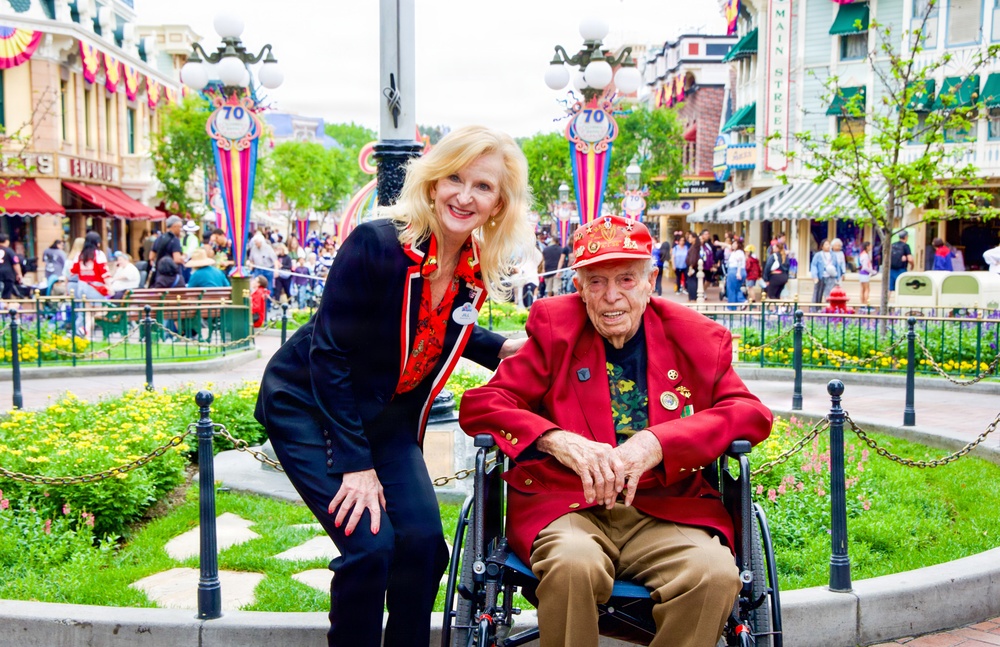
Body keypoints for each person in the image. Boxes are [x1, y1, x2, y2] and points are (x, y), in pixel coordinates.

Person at [253, 125, 534, 647]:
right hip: (308, 403)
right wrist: (355, 465)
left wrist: (499, 349)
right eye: (454, 178)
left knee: (426, 546)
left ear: (499, 204)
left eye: (483, 186)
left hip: (386, 415)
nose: (464, 195)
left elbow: (439, 323)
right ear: (432, 184)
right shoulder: (377, 245)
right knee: (371, 547)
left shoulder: (470, 266)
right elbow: (329, 353)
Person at [459, 214, 772, 647]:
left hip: (666, 507)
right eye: (596, 282)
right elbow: (484, 404)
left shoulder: (696, 338)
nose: (611, 298)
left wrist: (659, 442)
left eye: (626, 279)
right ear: (578, 287)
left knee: (714, 575)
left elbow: (750, 413)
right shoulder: (555, 329)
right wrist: (557, 439)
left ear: (650, 280)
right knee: (573, 564)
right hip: (567, 505)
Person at [147, 216, 185, 288]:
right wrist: (183, 258)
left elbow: (151, 257)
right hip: (173, 277)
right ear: (174, 226)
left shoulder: (159, 239)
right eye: (180, 227)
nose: (181, 230)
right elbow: (176, 259)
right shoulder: (175, 240)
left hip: (159, 275)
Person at [810, 239, 843, 305]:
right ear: (822, 246)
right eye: (826, 244)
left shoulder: (833, 255)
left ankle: (829, 309)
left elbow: (837, 266)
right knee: (818, 294)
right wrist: (815, 276)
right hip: (821, 277)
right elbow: (814, 265)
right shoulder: (818, 255)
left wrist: (838, 277)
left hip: (830, 277)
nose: (828, 246)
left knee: (829, 294)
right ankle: (815, 309)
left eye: (829, 244)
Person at [725, 238, 747, 309]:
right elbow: (728, 246)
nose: (733, 245)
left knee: (731, 289)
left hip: (735, 271)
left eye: (735, 243)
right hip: (737, 271)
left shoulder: (738, 252)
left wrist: (738, 272)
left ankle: (734, 306)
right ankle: (739, 302)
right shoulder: (736, 252)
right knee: (736, 288)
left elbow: (739, 262)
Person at [0, 234, 23, 299]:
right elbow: (15, 263)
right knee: (6, 295)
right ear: (6, 241)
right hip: (7, 275)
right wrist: (19, 274)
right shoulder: (9, 251)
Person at [684, 231, 700, 302]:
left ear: (694, 238)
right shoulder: (694, 247)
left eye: (690, 237)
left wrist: (691, 267)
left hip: (692, 267)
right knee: (691, 282)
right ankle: (692, 297)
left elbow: (693, 259)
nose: (689, 239)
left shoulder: (694, 248)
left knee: (692, 282)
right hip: (692, 266)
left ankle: (692, 297)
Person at [858, 241, 874, 306]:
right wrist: (872, 271)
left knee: (863, 288)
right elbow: (865, 267)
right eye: (870, 246)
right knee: (867, 289)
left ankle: (862, 303)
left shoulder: (862, 254)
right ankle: (865, 303)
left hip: (862, 273)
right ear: (867, 247)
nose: (871, 247)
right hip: (864, 273)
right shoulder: (865, 255)